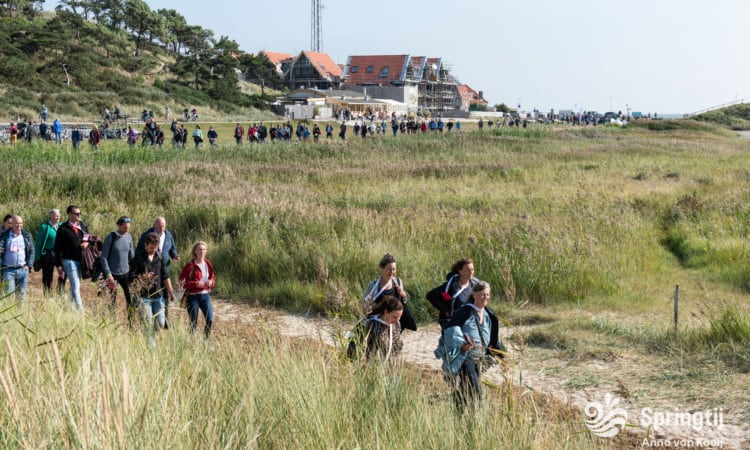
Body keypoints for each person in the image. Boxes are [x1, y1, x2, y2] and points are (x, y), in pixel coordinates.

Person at [436, 281, 506, 408]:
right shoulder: (464, 311)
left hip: (480, 359)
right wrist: (461, 343)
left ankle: (458, 413)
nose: (485, 297)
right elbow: (448, 330)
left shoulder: (490, 315)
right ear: (474, 294)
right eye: (482, 294)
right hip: (465, 359)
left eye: (488, 295)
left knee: (465, 390)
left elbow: (494, 340)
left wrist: (503, 358)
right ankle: (476, 417)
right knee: (476, 390)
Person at [129, 233, 175, 346]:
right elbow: (131, 277)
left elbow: (165, 276)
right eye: (151, 248)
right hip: (143, 297)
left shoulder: (160, 257)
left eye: (155, 247)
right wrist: (143, 277)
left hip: (158, 295)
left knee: (161, 322)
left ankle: (151, 337)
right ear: (145, 245)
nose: (153, 250)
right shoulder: (138, 258)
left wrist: (170, 292)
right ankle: (151, 346)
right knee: (147, 323)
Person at [362, 253, 417, 332]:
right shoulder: (373, 285)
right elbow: (364, 305)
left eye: (394, 269)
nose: (392, 272)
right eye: (389, 269)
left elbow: (404, 300)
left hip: (395, 321)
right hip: (380, 323)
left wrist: (403, 294)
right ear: (382, 268)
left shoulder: (398, 281)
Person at [54, 205, 89, 311]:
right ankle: (80, 311)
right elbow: (57, 248)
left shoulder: (82, 225)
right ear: (69, 214)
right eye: (76, 213)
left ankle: (71, 307)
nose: (79, 215)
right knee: (76, 285)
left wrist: (86, 243)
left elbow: (87, 237)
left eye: (79, 213)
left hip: (80, 260)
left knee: (74, 285)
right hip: (68, 260)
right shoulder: (63, 228)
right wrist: (58, 265)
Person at [101, 216, 136, 324]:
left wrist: (134, 270)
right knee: (112, 299)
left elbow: (132, 256)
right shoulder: (111, 237)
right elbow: (104, 257)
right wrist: (108, 274)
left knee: (130, 297)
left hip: (125, 273)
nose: (127, 230)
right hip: (113, 275)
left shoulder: (129, 237)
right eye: (125, 227)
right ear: (119, 225)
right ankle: (111, 321)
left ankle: (131, 321)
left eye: (128, 228)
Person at [179, 241, 215, 338]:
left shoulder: (208, 263)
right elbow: (182, 283)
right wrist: (196, 284)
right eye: (199, 249)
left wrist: (211, 282)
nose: (201, 251)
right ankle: (192, 342)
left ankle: (206, 341)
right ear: (194, 251)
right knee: (193, 321)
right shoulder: (190, 266)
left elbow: (212, 277)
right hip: (192, 297)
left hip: (205, 295)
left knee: (210, 319)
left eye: (204, 249)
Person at [436, 258, 481, 329]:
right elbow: (431, 295)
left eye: (472, 270)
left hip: (467, 320)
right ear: (460, 271)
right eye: (467, 270)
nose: (471, 272)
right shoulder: (452, 285)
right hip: (450, 322)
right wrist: (446, 310)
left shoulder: (474, 284)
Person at [0, 215, 35, 304]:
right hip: (8, 270)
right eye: (16, 223)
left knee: (21, 296)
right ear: (12, 224)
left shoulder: (26, 236)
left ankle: (19, 313)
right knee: (9, 295)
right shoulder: (4, 236)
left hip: (22, 270)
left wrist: (29, 265)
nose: (19, 225)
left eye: (20, 223)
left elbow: (32, 250)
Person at [363, 296, 404, 363]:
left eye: (400, 317)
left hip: (392, 368)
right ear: (386, 312)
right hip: (374, 367)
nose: (397, 320)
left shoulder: (396, 325)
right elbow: (361, 344)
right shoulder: (372, 324)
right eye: (395, 317)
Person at [35, 208, 65, 295]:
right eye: (55, 216)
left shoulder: (62, 226)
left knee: (63, 272)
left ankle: (61, 291)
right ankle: (48, 294)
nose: (57, 217)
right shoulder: (44, 227)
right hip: (48, 254)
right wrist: (37, 257)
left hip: (59, 253)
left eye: (59, 216)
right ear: (50, 216)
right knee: (47, 275)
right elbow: (38, 243)